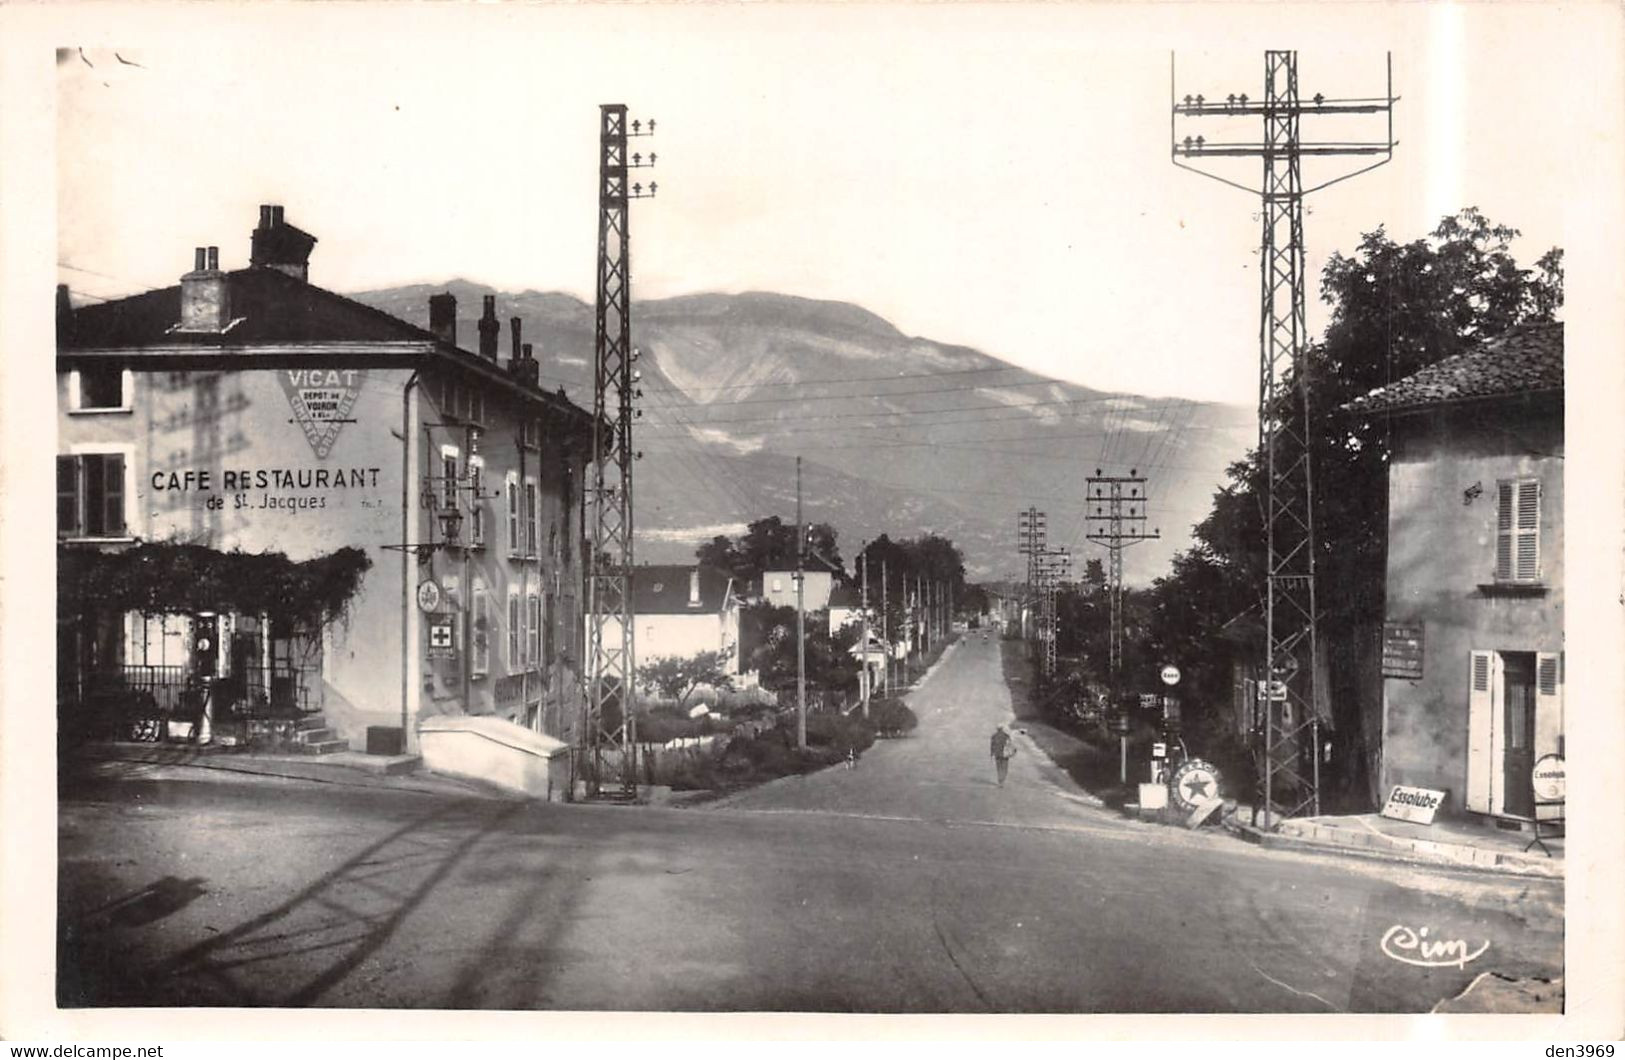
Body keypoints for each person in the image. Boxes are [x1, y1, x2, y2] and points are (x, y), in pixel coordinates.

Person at [990, 722, 1017, 787]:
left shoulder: (994, 736)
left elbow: (992, 745)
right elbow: (1011, 745)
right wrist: (1013, 751)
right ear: (1002, 729)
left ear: (997, 729)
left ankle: (1000, 780)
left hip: (997, 754)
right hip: (1005, 754)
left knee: (999, 767)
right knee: (1004, 767)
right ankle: (1002, 780)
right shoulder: (1006, 736)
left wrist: (992, 753)